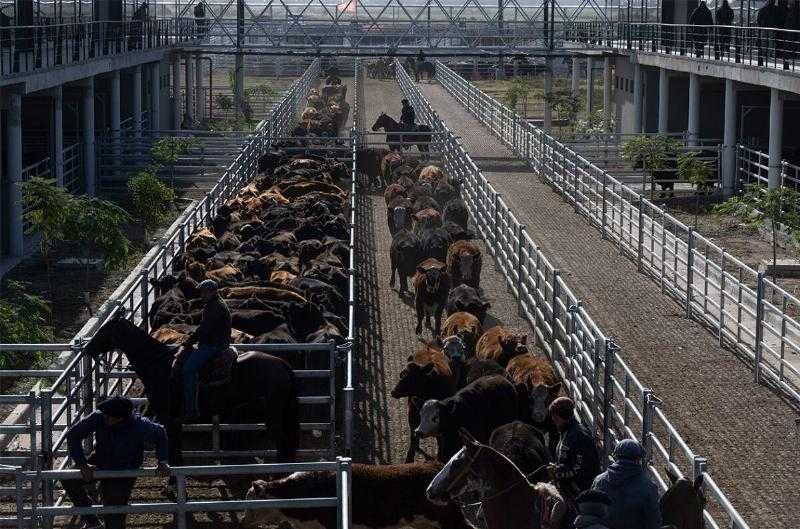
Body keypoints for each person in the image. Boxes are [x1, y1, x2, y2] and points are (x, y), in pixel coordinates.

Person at [63, 396, 170, 529]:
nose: (105, 417)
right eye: (105, 414)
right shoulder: (100, 417)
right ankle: (92, 519)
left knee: (114, 512)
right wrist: (82, 464)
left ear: (121, 417)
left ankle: (100, 521)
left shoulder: (139, 425)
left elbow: (160, 433)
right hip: (102, 459)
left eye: (110, 416)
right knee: (69, 479)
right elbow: (73, 435)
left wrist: (162, 460)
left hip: (125, 469)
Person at [180, 279, 232, 418]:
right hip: (217, 343)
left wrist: (189, 341)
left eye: (204, 292)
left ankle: (191, 409)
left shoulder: (213, 307)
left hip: (213, 345)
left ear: (212, 292)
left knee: (188, 370)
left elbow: (205, 329)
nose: (201, 295)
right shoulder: (215, 304)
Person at [546, 397, 600, 528]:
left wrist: (557, 471)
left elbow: (579, 468)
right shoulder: (568, 432)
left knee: (555, 516)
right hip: (567, 486)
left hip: (577, 491)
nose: (552, 420)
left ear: (558, 416)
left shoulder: (578, 436)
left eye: (553, 416)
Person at [591, 439, 662, 529]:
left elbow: (591, 513)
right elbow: (653, 521)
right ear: (638, 459)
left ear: (616, 457)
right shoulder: (648, 486)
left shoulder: (599, 481)